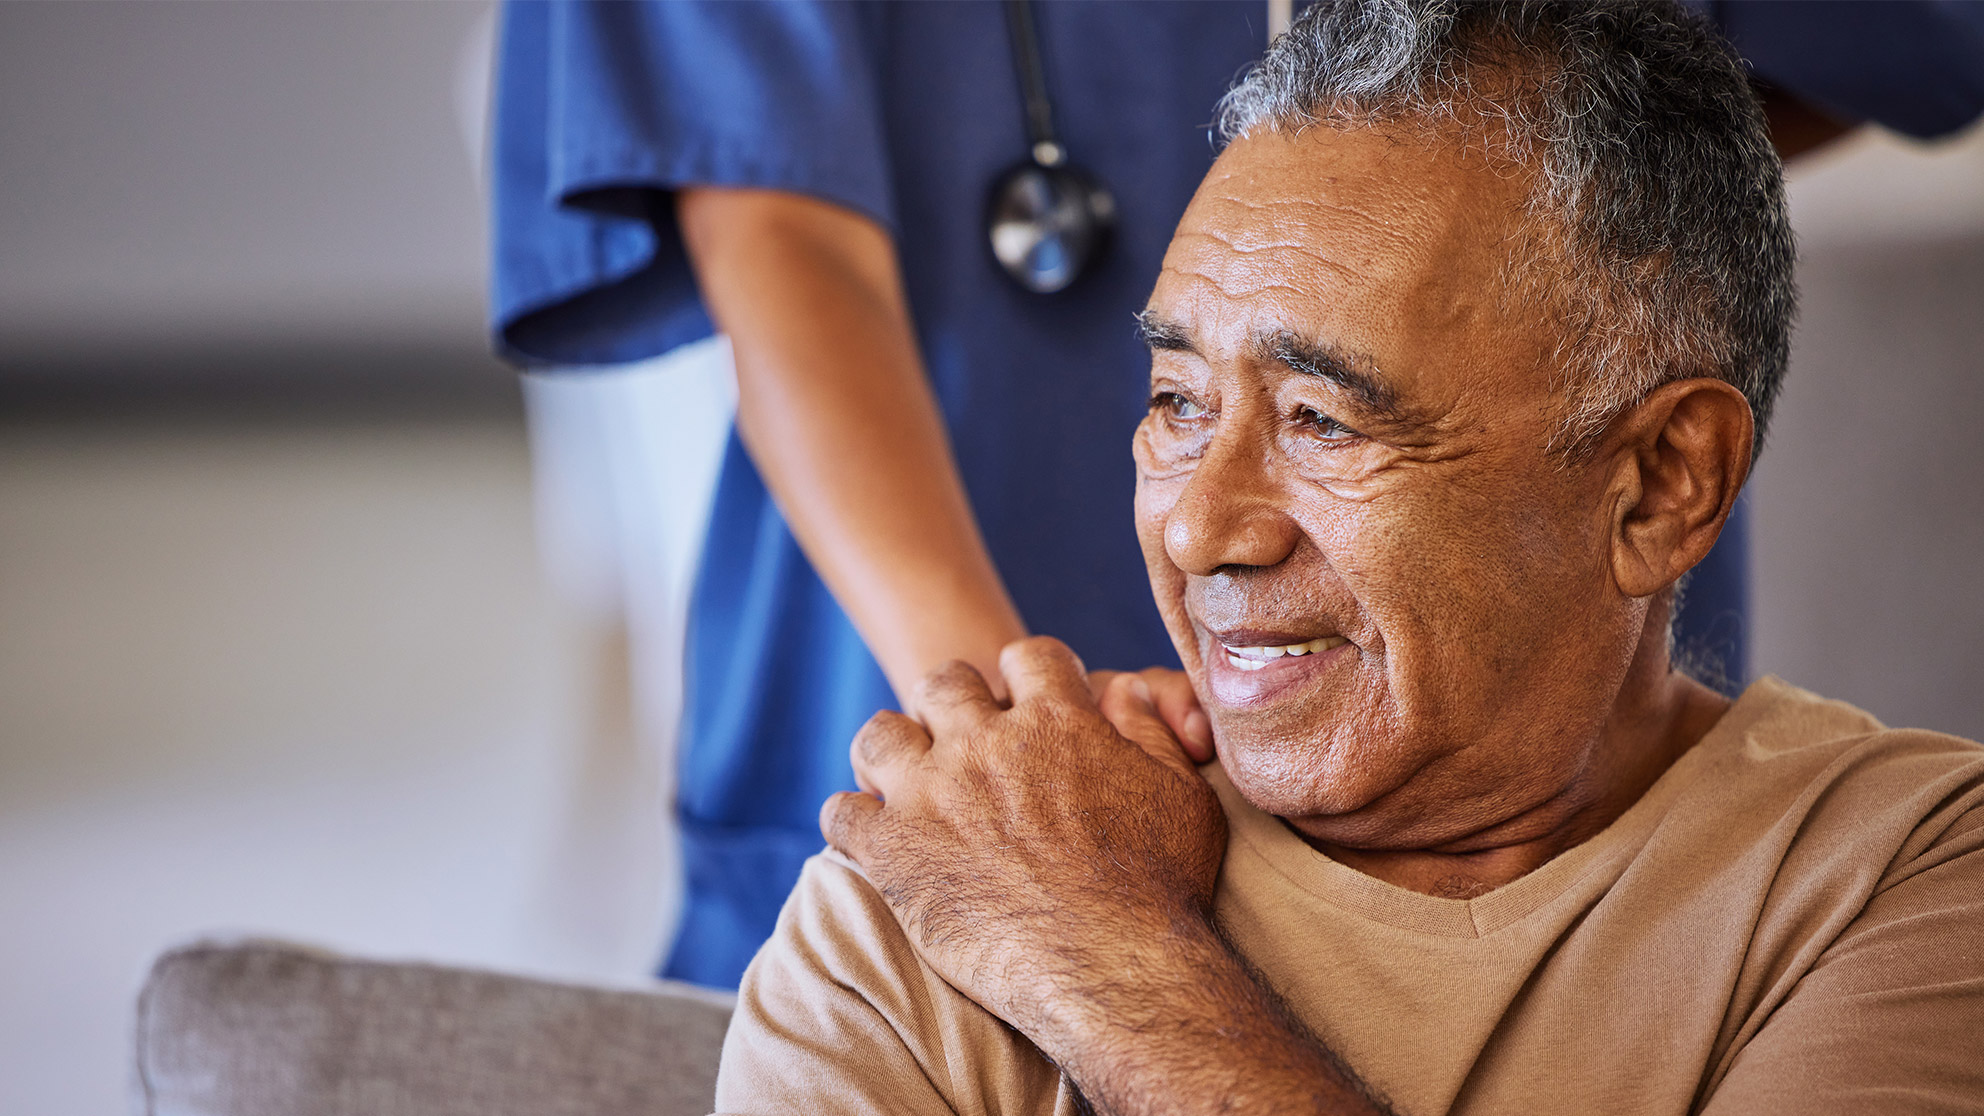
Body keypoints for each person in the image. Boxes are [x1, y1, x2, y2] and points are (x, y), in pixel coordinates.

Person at [487, 0, 1980, 989]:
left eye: (1316, 420)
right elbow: (772, 226)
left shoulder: (1890, 889)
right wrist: (1008, 739)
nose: (1209, 524)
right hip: (935, 664)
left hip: (1539, 814)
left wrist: (1510, 235)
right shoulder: (871, 961)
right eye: (1177, 400)